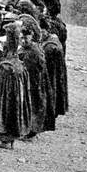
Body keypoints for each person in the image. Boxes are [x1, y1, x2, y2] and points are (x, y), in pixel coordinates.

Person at [0, 23, 32, 148]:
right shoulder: (18, 61)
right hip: (16, 89)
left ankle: (5, 140)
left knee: (6, 110)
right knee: (14, 109)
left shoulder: (7, 64)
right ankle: (10, 139)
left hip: (7, 86)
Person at [18, 12, 49, 140]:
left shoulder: (33, 52)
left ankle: (31, 132)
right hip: (33, 82)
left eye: (26, 38)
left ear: (32, 37)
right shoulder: (31, 49)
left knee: (32, 105)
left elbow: (29, 69)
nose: (24, 41)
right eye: (22, 38)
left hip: (33, 83)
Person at [40, 16, 68, 131]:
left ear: (46, 30)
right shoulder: (54, 40)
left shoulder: (50, 47)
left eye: (41, 31)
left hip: (50, 76)